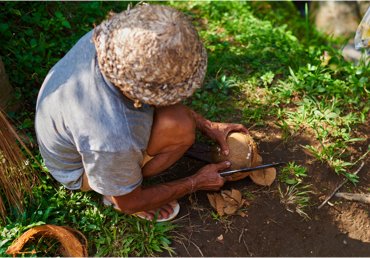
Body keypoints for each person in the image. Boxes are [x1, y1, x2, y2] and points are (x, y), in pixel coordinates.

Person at [35, 4, 249, 221]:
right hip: (79, 169)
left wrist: (206, 125)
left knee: (177, 119)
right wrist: (195, 182)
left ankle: (119, 177)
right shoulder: (112, 134)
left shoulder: (118, 39)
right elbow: (129, 204)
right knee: (180, 127)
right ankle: (112, 189)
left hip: (69, 124)